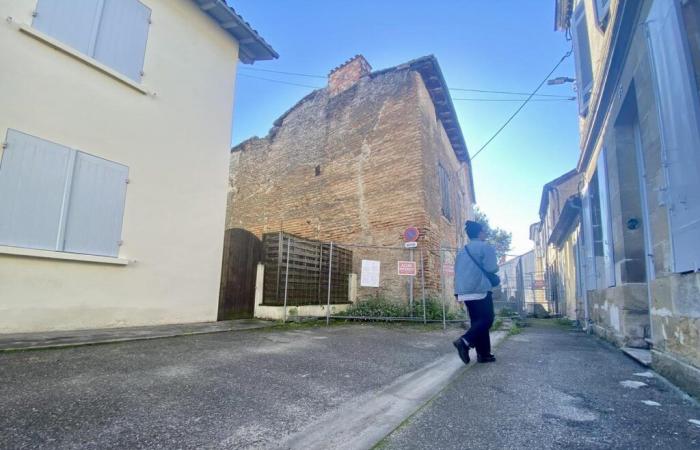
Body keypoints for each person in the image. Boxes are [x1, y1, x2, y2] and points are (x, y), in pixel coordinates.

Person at [452, 220, 499, 364]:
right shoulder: (485, 247)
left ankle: (483, 354)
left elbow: (457, 271)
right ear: (479, 233)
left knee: (478, 322)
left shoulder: (462, 251)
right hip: (480, 289)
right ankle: (464, 341)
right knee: (487, 319)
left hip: (464, 291)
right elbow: (491, 268)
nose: (485, 234)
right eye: (484, 231)